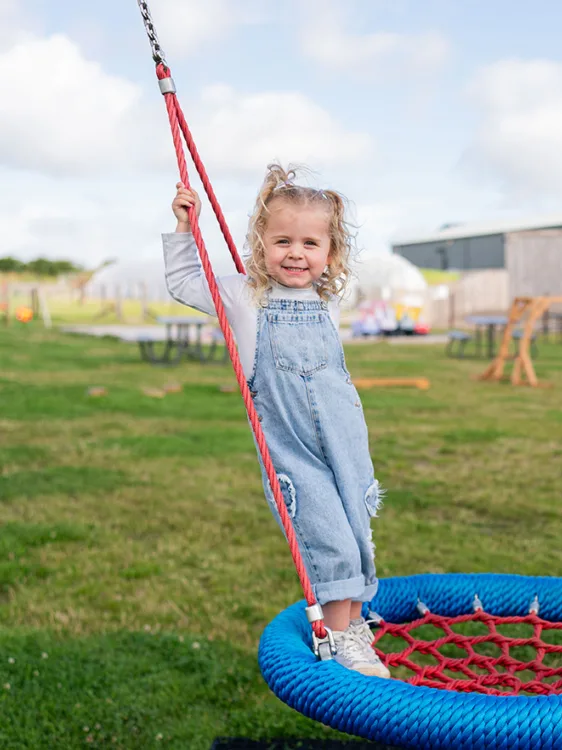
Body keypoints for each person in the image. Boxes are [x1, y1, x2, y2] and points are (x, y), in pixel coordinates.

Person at [163, 163, 390, 678]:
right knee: (328, 536)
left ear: (330, 251)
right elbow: (183, 283)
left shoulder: (327, 300)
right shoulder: (245, 296)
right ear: (260, 243)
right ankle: (339, 640)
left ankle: (355, 625)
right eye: (282, 240)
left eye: (310, 243)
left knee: (356, 531)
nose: (295, 253)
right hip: (291, 446)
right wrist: (184, 227)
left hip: (344, 436)